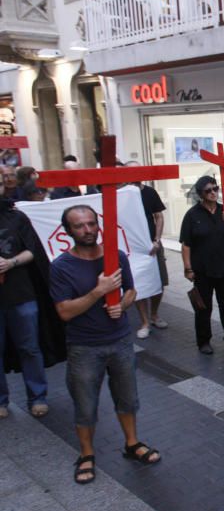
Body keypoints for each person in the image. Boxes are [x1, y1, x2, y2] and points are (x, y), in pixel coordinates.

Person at [49, 205, 160, 484]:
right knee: (85, 404)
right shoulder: (61, 267)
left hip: (120, 341)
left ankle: (132, 443)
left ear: (98, 225)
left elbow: (132, 290)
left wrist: (122, 305)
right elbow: (64, 311)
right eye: (79, 226)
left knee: (128, 398)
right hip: (84, 347)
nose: (87, 230)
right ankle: (86, 454)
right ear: (68, 230)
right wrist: (98, 291)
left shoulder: (115, 256)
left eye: (90, 223)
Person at [0, 201, 64, 419]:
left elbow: (33, 250)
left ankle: (37, 397)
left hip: (21, 294)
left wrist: (12, 262)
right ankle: (0, 400)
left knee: (29, 347)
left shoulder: (17, 218)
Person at [180, 176, 224, 354]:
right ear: (201, 194)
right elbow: (186, 244)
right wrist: (188, 268)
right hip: (202, 270)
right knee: (203, 307)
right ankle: (204, 341)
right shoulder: (192, 215)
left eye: (215, 189)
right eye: (209, 190)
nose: (213, 193)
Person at [126, 161, 169, 340]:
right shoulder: (123, 195)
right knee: (138, 285)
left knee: (159, 281)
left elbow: (158, 216)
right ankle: (144, 321)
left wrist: (157, 240)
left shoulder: (149, 192)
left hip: (153, 245)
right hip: (133, 248)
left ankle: (154, 314)